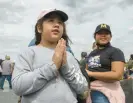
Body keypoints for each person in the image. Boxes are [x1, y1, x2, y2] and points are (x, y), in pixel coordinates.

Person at [12, 9, 88, 103]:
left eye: (60, 22)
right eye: (51, 21)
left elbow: (83, 87)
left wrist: (65, 68)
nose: (57, 25)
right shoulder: (28, 53)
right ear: (39, 28)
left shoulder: (69, 56)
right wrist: (52, 67)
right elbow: (17, 87)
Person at [86, 24, 125, 103]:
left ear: (110, 37)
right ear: (95, 36)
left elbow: (117, 75)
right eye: (100, 33)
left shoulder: (115, 51)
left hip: (107, 89)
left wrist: (91, 74)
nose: (103, 35)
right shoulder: (91, 54)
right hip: (90, 89)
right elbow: (86, 70)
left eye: (106, 33)